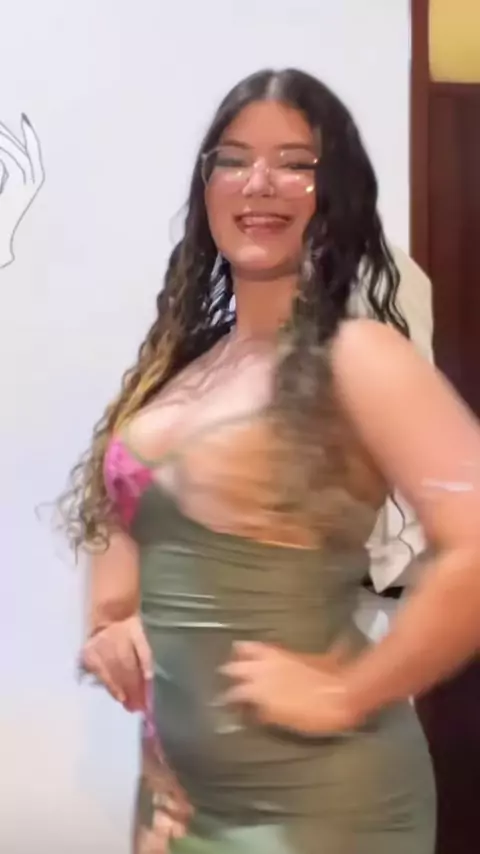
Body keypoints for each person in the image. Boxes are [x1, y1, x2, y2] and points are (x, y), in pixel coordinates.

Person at [61, 68, 480, 853]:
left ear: (334, 193)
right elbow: (121, 595)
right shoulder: (174, 374)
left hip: (324, 808)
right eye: (234, 158)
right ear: (207, 186)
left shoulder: (358, 357)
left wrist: (347, 694)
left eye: (295, 162)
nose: (260, 182)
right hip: (178, 803)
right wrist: (112, 635)